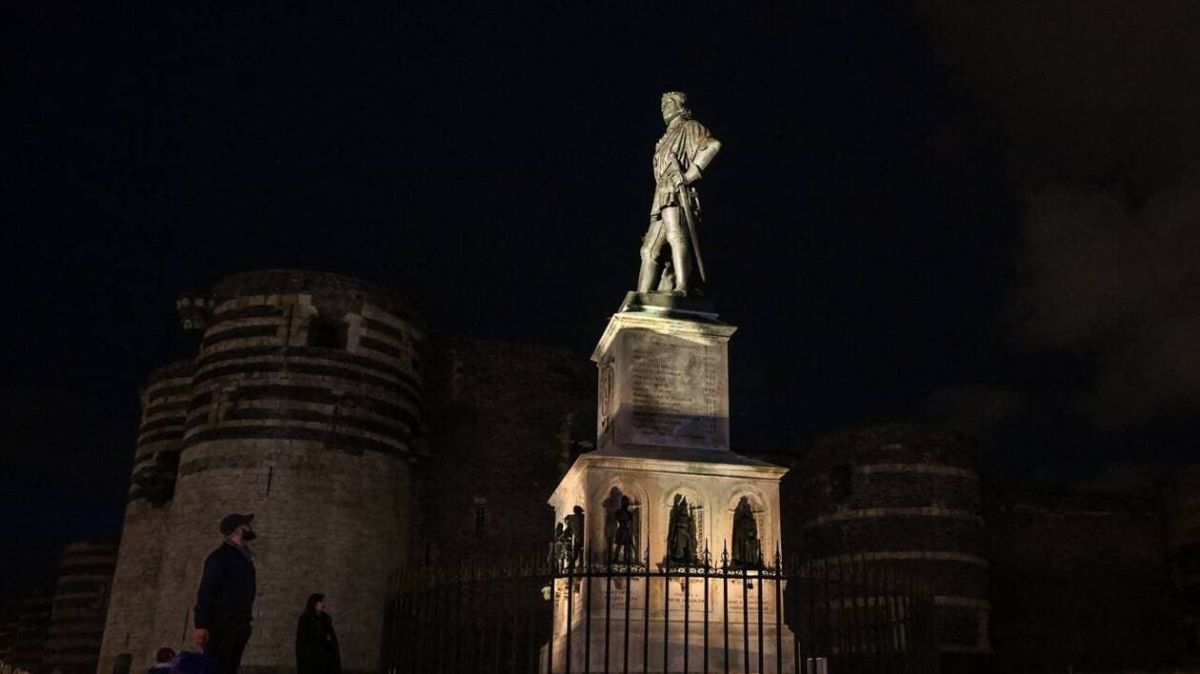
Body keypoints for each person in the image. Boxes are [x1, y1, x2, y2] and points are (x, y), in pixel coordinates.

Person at [638, 91, 722, 296]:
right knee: (648, 249)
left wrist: (688, 175)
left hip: (675, 191)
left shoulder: (690, 126)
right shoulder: (666, 137)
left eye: (669, 103)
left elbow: (713, 145)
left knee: (676, 235)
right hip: (661, 193)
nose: (664, 108)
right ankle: (641, 297)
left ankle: (682, 287)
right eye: (662, 105)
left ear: (681, 106)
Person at [193, 513, 257, 674]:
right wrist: (201, 625)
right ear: (237, 530)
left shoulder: (243, 557)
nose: (250, 527)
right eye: (246, 525)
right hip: (222, 624)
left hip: (239, 623)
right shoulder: (220, 557)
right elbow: (207, 591)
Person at [295, 593, 341, 674]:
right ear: (314, 603)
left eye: (323, 602)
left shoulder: (325, 618)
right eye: (320, 602)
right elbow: (301, 639)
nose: (323, 604)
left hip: (324, 656)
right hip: (310, 656)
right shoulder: (305, 618)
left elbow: (332, 636)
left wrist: (332, 651)